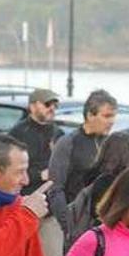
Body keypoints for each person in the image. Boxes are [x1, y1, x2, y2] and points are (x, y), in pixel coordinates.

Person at [8, 88, 65, 256]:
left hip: (50, 208)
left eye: (54, 105)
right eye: (46, 104)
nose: (51, 109)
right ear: (33, 106)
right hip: (22, 205)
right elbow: (8, 169)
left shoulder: (59, 133)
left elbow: (64, 168)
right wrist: (36, 174)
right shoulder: (17, 133)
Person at [50, 89, 117, 242]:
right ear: (90, 115)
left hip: (105, 228)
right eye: (106, 116)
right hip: (78, 228)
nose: (111, 121)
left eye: (113, 116)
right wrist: (69, 225)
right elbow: (55, 188)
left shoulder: (109, 143)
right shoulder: (68, 143)